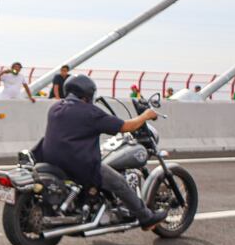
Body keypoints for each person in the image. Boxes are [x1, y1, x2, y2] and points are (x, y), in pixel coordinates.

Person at [38, 75, 168, 230]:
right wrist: (146, 115)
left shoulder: (55, 107)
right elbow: (126, 126)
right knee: (120, 183)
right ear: (88, 93)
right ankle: (146, 218)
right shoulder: (90, 112)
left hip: (52, 159)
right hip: (79, 164)